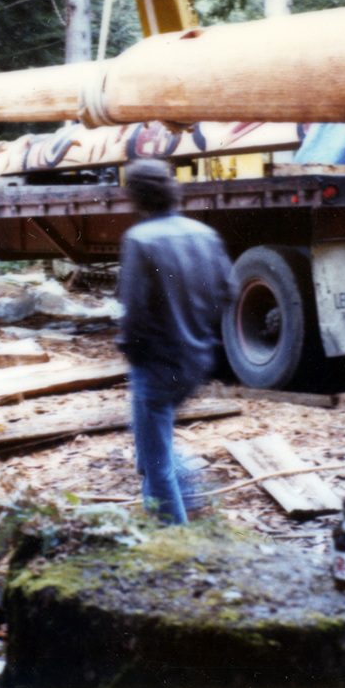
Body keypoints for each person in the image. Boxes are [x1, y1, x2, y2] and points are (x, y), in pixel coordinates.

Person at [117, 158, 234, 524]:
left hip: (156, 364)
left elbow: (134, 311)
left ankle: (177, 545)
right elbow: (228, 291)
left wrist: (131, 350)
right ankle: (187, 501)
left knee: (155, 463)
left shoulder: (139, 240)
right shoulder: (204, 234)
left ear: (136, 197)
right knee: (153, 445)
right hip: (195, 359)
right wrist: (197, 325)